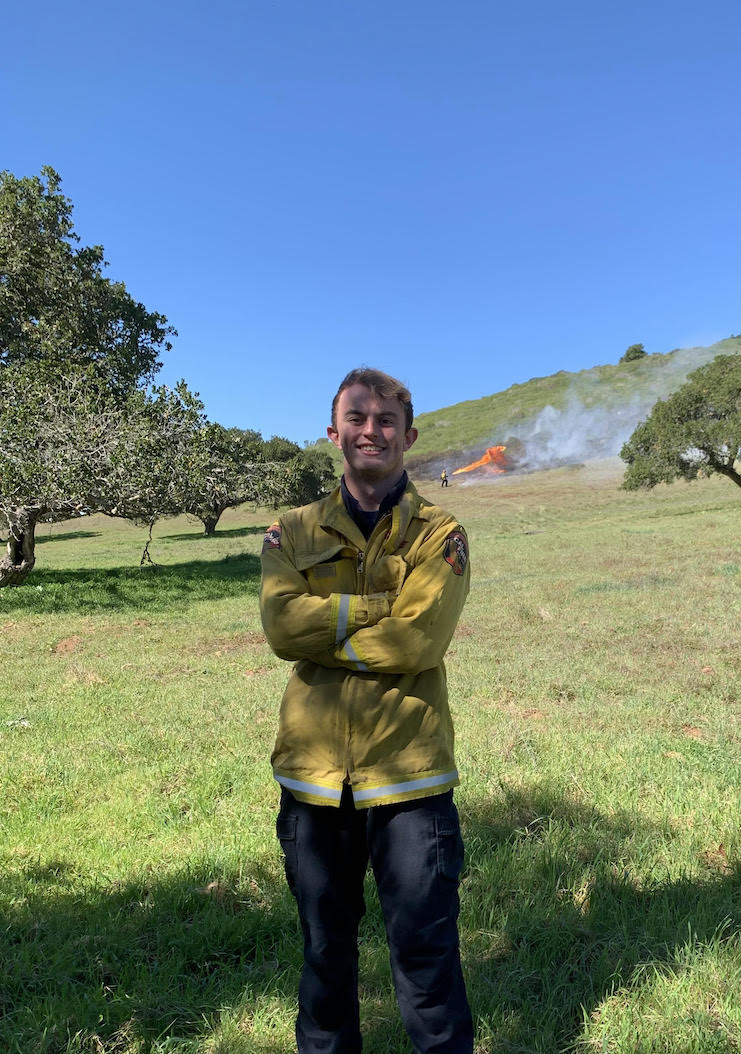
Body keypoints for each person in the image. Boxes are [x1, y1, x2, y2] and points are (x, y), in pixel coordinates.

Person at [260, 367, 473, 1054]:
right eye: (356, 418)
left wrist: (328, 638)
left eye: (385, 420)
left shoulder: (440, 531)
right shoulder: (288, 532)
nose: (370, 430)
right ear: (334, 433)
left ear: (408, 436)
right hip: (314, 782)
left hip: (409, 780)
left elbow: (420, 637)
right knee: (325, 961)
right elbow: (280, 629)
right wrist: (377, 606)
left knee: (427, 964)